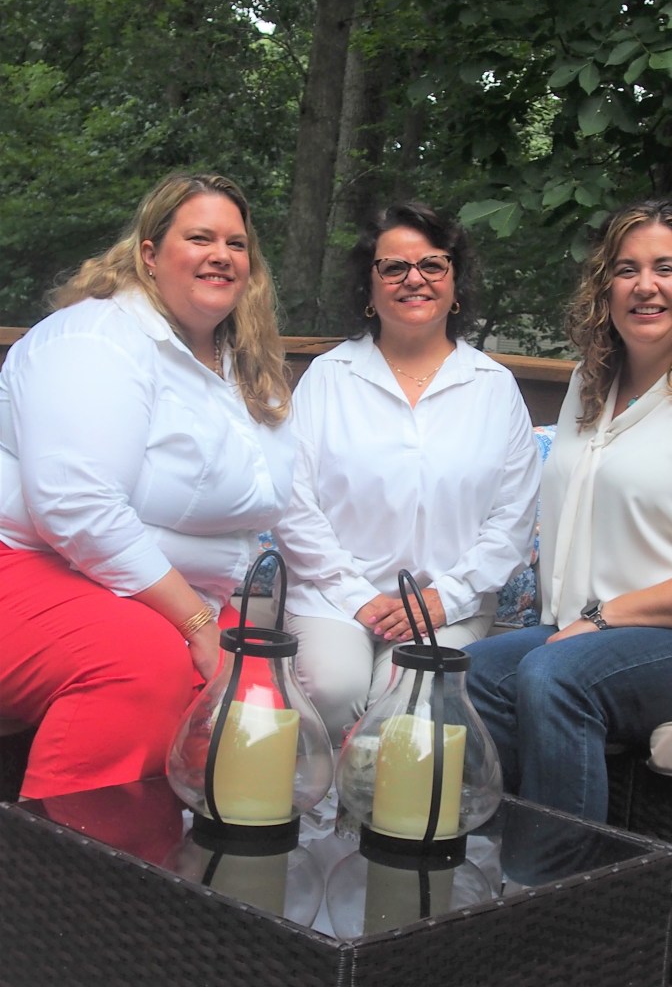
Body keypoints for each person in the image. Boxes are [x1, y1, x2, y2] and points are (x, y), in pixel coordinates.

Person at [466, 199, 672, 823]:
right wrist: (594, 623)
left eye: (665, 268)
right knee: (470, 674)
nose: (645, 286)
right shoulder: (590, 381)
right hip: (595, 631)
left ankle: (566, 874)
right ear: (605, 288)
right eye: (626, 270)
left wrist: (605, 618)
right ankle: (502, 850)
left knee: (555, 676)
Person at [0, 172, 294, 798]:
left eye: (236, 244)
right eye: (200, 238)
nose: (221, 255)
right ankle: (71, 847)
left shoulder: (243, 365)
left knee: (263, 692)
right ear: (150, 254)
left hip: (150, 583)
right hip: (26, 560)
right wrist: (196, 623)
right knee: (140, 664)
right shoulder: (95, 337)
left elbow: (266, 505)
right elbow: (76, 508)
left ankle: (203, 850)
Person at [273, 202, 541, 745]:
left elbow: (512, 521)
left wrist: (444, 598)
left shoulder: (493, 388)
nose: (413, 279)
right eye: (393, 267)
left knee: (408, 695)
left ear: (455, 282)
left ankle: (377, 800)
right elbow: (293, 504)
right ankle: (320, 799)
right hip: (332, 595)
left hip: (451, 602)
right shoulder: (329, 378)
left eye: (432, 265)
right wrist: (356, 596)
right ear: (369, 288)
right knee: (333, 687)